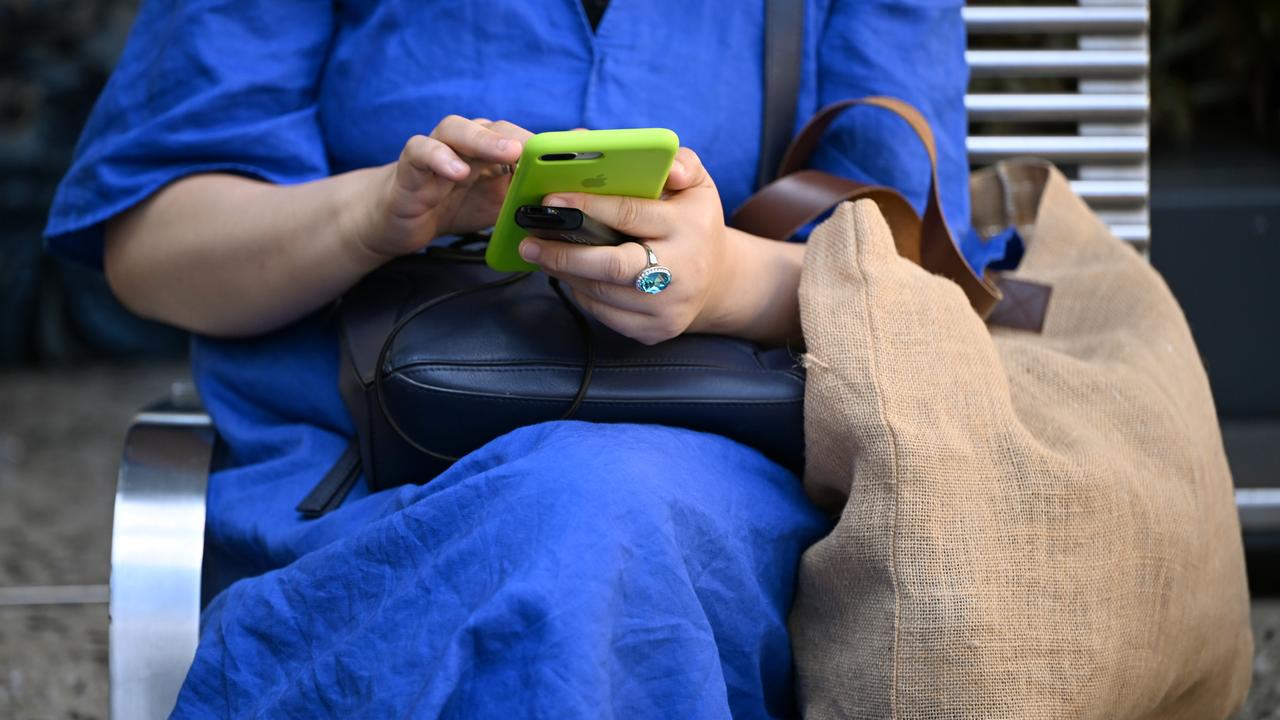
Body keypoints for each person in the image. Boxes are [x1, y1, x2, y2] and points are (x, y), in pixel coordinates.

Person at [47, 0, 984, 716]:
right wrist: (374, 216)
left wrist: (721, 278)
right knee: (579, 534)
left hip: (706, 494)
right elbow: (150, 250)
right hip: (355, 486)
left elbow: (922, 283)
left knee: (591, 521)